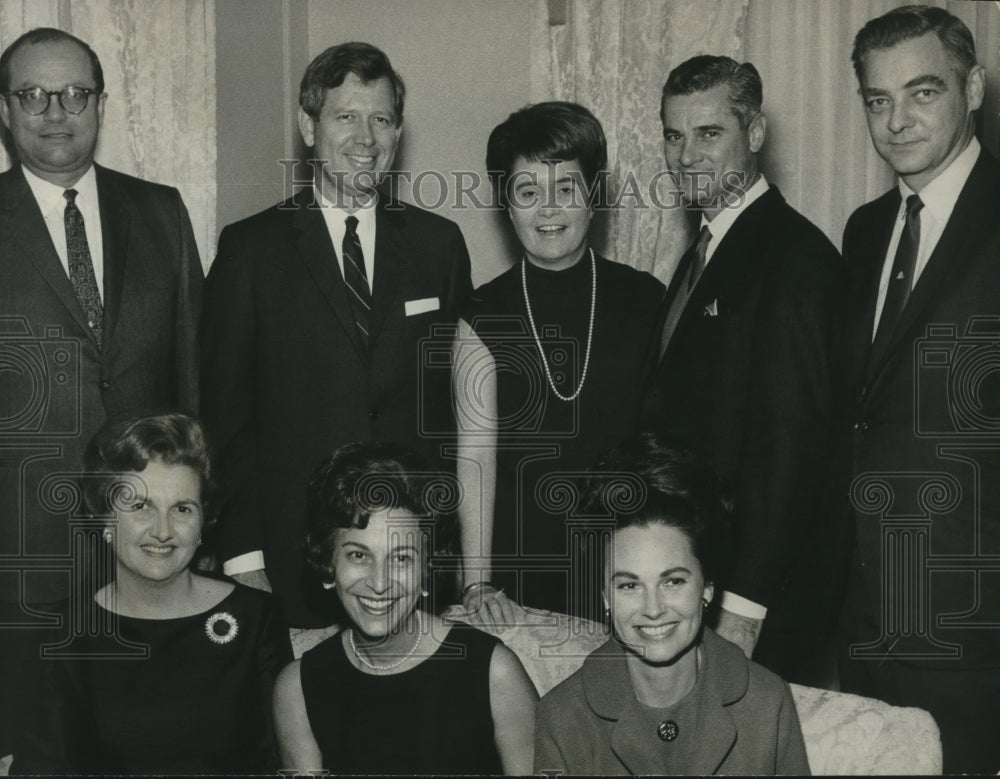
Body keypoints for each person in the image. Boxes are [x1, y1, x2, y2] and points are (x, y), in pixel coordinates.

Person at [201, 42, 473, 628]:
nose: (365, 138)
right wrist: (243, 553)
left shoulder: (438, 246)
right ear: (309, 126)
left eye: (381, 119)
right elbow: (224, 419)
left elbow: (451, 420)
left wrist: (449, 556)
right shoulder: (251, 250)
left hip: (410, 562)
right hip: (290, 561)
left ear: (398, 133)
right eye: (345, 116)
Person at [0, 28, 202, 757]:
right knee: (40, 754)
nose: (56, 111)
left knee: (150, 751)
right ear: (5, 108)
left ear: (101, 103)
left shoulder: (160, 211)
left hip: (152, 555)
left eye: (75, 93)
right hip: (23, 565)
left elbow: (193, 381)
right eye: (33, 94)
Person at [640, 55, 845, 686]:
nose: (686, 157)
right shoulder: (704, 251)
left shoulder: (795, 258)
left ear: (754, 134)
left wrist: (744, 611)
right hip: (699, 582)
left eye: (709, 134)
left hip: (752, 608)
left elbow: (793, 453)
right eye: (674, 136)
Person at [837, 6, 1000, 773]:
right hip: (867, 617)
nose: (896, 120)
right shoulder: (866, 229)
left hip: (976, 628)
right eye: (877, 99)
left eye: (922, 92)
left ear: (972, 88)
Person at [453, 101, 665, 624]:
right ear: (507, 204)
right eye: (527, 192)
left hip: (631, 566)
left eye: (565, 189)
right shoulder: (479, 315)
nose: (547, 210)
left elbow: (666, 454)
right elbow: (475, 463)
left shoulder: (648, 299)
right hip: (518, 577)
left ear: (594, 197)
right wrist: (478, 583)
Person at [12, 412, 292, 774]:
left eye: (182, 509)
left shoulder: (255, 620)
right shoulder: (60, 635)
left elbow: (274, 764)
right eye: (140, 506)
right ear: (104, 517)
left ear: (203, 522)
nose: (162, 530)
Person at [534, 434, 809, 775]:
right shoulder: (562, 718)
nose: (653, 608)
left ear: (707, 587)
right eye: (629, 585)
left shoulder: (768, 703)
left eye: (673, 581)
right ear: (605, 596)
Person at [273, 441, 536, 775]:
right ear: (328, 561)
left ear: (427, 567)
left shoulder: (493, 672)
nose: (379, 583)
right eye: (358, 555)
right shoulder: (298, 689)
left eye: (401, 558)